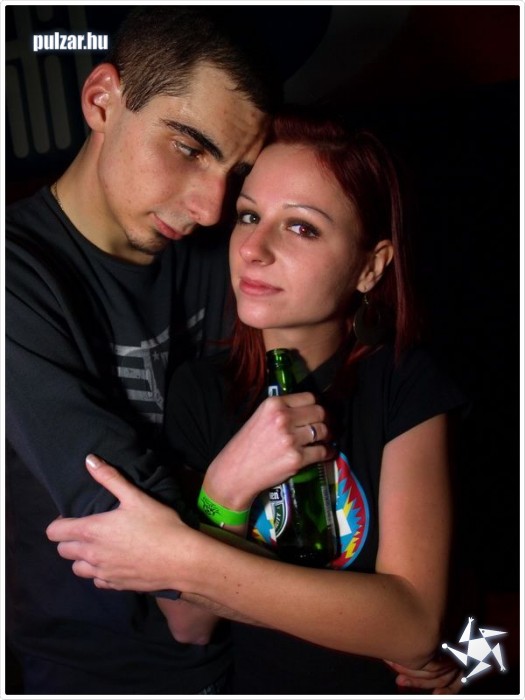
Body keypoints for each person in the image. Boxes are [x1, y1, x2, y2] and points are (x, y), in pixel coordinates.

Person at [47, 112, 467, 694]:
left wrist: (182, 556)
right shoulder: (199, 391)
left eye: (301, 227)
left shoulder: (404, 382)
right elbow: (189, 622)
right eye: (248, 216)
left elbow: (414, 626)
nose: (253, 249)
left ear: (371, 267)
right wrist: (226, 487)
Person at [4, 5, 293, 694]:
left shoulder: (228, 249)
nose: (210, 208)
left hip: (263, 652)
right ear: (102, 100)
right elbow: (177, 592)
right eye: (189, 148)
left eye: (236, 173)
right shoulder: (17, 276)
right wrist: (224, 489)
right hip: (99, 675)